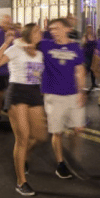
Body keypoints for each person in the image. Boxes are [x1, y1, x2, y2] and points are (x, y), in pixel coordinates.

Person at [0, 23, 47, 196]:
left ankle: (23, 158)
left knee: (40, 135)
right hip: (17, 93)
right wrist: (6, 43)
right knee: (23, 137)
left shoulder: (40, 53)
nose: (40, 33)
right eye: (36, 31)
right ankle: (21, 182)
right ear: (28, 34)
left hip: (35, 93)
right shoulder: (15, 49)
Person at [38, 18, 88, 182]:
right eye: (51, 29)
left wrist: (81, 91)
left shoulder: (75, 47)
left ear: (68, 29)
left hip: (73, 94)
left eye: (57, 28)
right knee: (57, 132)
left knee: (79, 129)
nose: (53, 31)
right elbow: (26, 41)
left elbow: (79, 70)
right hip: (53, 96)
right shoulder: (45, 45)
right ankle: (61, 163)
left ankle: (73, 154)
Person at [82, 25, 98, 92]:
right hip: (87, 55)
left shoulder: (94, 36)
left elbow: (97, 44)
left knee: (93, 69)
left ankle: (93, 83)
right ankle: (81, 81)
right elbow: (83, 44)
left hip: (93, 55)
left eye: (90, 28)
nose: (90, 30)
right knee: (87, 68)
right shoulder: (85, 36)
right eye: (88, 28)